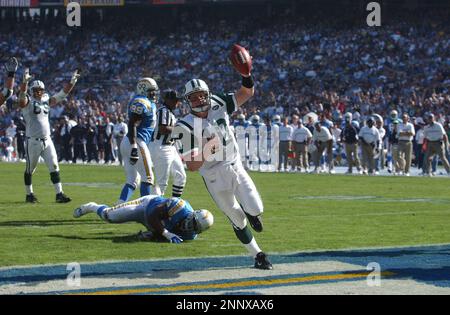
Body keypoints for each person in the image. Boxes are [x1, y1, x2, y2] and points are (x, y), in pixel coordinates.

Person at [171, 49, 273, 270]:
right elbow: (192, 165)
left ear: (208, 94)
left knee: (255, 208)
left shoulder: (218, 102)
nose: (199, 99)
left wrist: (246, 74)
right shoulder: (183, 126)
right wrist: (209, 148)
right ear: (188, 101)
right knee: (236, 217)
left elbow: (246, 93)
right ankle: (258, 255)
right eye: (194, 97)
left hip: (234, 165)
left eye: (201, 95)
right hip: (213, 175)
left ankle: (252, 212)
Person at [18, 68, 80, 203]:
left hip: (47, 140)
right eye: (35, 90)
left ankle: (59, 194)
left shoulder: (46, 99)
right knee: (30, 169)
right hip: (32, 141)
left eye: (40, 89)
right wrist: (24, 83)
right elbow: (22, 98)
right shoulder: (27, 101)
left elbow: (62, 94)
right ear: (31, 91)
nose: (38, 92)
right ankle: (29, 194)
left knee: (54, 166)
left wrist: (72, 82)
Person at [73, 195, 213, 243]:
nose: (189, 227)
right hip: (146, 207)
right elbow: (153, 216)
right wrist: (165, 233)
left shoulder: (190, 235)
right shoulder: (179, 206)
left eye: (195, 227)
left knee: (153, 235)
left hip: (156, 224)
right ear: (192, 214)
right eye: (192, 222)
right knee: (109, 216)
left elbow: (166, 237)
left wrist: (155, 235)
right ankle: (91, 207)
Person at [118, 78, 158, 204]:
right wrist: (134, 146)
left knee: (133, 180)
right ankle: (146, 208)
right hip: (135, 141)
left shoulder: (148, 102)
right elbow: (132, 123)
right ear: (144, 90)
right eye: (151, 91)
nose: (154, 94)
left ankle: (119, 205)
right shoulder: (141, 101)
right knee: (148, 178)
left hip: (131, 142)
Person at [149, 89, 186, 197]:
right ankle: (152, 209)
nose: (177, 103)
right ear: (167, 100)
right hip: (161, 147)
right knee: (161, 183)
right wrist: (179, 130)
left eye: (177, 100)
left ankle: (175, 204)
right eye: (174, 100)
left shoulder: (170, 113)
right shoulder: (163, 111)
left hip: (170, 147)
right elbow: (162, 129)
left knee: (181, 176)